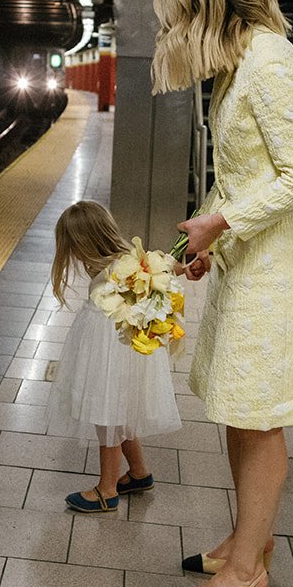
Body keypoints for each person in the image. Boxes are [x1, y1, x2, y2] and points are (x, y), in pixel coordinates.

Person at [151, 0, 293, 587]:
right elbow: (244, 178)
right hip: (250, 263)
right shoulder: (237, 63)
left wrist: (221, 223)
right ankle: (242, 539)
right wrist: (206, 236)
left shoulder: (270, 64)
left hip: (278, 274)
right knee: (237, 406)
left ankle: (249, 570)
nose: (172, 31)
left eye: (177, 15)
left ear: (209, 5)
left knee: (261, 419)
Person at [46, 200, 183, 512]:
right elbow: (163, 271)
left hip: (109, 355)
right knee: (123, 416)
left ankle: (107, 490)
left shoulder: (110, 273)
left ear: (84, 244)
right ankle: (138, 473)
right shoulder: (130, 261)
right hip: (128, 353)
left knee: (108, 419)